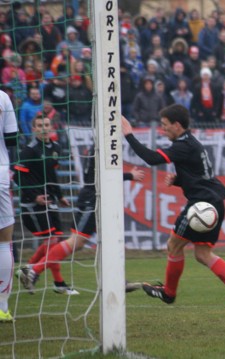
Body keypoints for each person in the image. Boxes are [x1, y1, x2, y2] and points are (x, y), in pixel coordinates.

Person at [121, 104, 225, 305]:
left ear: (176, 125)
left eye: (165, 125)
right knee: (202, 254)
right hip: (215, 204)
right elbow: (202, 176)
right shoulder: (192, 143)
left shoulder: (183, 146)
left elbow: (152, 158)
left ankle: (169, 293)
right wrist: (179, 181)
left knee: (173, 246)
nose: (163, 129)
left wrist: (129, 135)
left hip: (201, 205)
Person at [18, 147, 144, 294]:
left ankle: (117, 281)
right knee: (76, 241)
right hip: (92, 199)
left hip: (101, 199)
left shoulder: (101, 144)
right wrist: (130, 175)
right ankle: (34, 270)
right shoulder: (101, 146)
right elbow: (101, 176)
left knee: (110, 242)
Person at [13, 115, 73, 294]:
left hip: (50, 199)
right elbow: (17, 176)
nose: (44, 128)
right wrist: (34, 196)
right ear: (34, 129)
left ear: (51, 126)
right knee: (53, 241)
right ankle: (57, 283)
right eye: (39, 125)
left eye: (46, 125)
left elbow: (52, 176)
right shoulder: (29, 151)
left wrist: (60, 196)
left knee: (56, 240)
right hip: (32, 204)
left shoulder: (55, 148)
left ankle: (28, 269)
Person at [0, 89, 18, 322]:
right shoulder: (3, 97)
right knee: (4, 241)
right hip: (0, 173)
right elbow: (12, 138)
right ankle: (2, 305)